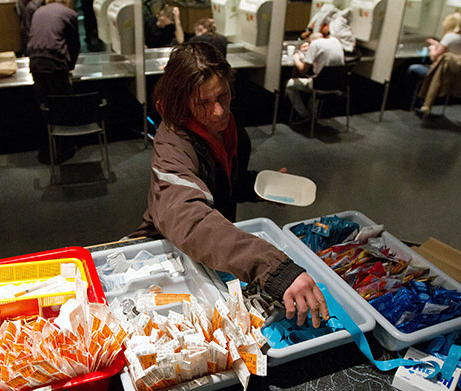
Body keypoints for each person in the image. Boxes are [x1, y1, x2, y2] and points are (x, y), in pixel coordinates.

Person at [129, 42, 330, 328]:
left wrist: (256, 185)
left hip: (216, 245)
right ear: (182, 100)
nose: (219, 111)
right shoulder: (171, 142)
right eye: (204, 103)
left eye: (222, 95)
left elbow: (220, 183)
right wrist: (275, 270)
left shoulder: (222, 124)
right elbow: (188, 218)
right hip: (172, 248)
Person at [27, 0, 80, 164]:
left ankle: (51, 143)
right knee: (63, 105)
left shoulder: (38, 11)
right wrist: (70, 66)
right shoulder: (70, 14)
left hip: (35, 62)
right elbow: (74, 44)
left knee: (46, 105)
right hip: (55, 63)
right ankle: (65, 148)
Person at [407, 13, 461, 109]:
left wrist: (432, 49)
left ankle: (415, 100)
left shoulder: (449, 36)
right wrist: (438, 44)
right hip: (454, 73)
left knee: (413, 68)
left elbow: (434, 58)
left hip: (440, 73)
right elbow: (450, 51)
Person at [286, 32, 344, 123]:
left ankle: (304, 115)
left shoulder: (314, 44)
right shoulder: (336, 42)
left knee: (289, 84)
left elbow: (303, 70)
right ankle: (313, 115)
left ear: (311, 41)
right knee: (315, 80)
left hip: (319, 86)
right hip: (337, 86)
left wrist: (296, 57)